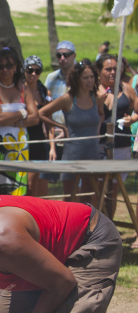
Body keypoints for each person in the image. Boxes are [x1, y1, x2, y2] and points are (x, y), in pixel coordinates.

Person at [39, 61, 104, 205]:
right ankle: (66, 227)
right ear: (76, 79)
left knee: (89, 198)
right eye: (85, 77)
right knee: (69, 198)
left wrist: (98, 129)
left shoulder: (96, 97)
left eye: (92, 77)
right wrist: (61, 127)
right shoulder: (67, 99)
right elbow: (42, 113)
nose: (90, 81)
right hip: (73, 153)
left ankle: (88, 227)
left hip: (93, 152)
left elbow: (101, 114)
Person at [0, 46, 38, 196]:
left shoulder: (23, 88)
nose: (4, 70)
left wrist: (13, 120)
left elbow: (35, 118)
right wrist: (22, 112)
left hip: (19, 145)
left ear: (16, 67)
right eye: (0, 66)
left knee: (18, 192)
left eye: (8, 66)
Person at [97, 53, 138, 218]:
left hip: (121, 144)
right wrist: (99, 103)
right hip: (98, 144)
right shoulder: (94, 88)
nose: (113, 72)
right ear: (99, 71)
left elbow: (137, 109)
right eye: (108, 69)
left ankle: (109, 224)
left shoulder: (126, 88)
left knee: (114, 190)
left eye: (116, 68)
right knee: (98, 189)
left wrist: (132, 118)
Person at [44, 40, 77, 164]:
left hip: (73, 135)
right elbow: (45, 105)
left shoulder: (81, 78)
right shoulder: (51, 78)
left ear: (74, 56)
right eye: (59, 55)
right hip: (53, 134)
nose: (62, 58)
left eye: (66, 55)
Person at [23, 56, 51, 197]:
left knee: (40, 186)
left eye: (37, 70)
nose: (33, 74)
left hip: (39, 139)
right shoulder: (19, 91)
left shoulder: (44, 91)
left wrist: (52, 146)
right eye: (30, 70)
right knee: (28, 185)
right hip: (24, 138)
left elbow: (49, 120)